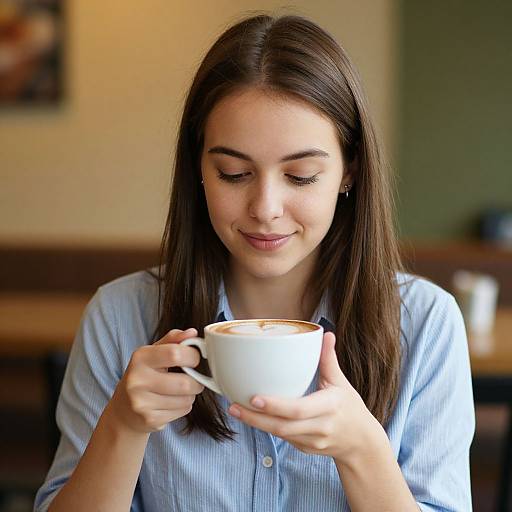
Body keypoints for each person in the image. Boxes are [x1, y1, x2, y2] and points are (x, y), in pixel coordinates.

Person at [34, 13, 475, 512]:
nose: (265, 208)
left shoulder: (425, 324)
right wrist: (124, 427)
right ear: (198, 170)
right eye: (234, 173)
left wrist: (362, 451)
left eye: (302, 176)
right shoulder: (119, 317)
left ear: (348, 171)